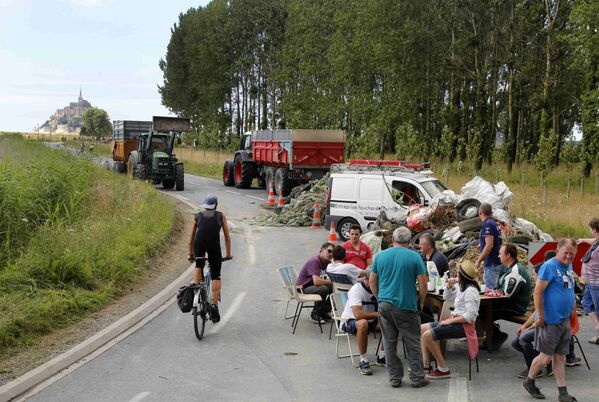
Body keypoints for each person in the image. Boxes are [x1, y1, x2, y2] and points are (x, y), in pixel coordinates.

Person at [369, 226, 430, 389]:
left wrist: (379, 297)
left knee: (389, 343)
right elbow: (423, 283)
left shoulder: (380, 256)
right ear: (409, 241)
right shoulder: (414, 256)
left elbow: (372, 282)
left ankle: (395, 378)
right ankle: (417, 377)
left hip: (384, 304)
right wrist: (421, 301)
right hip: (406, 305)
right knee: (412, 342)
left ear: (392, 240)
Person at [522, 239, 577, 402]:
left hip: (564, 319)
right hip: (550, 320)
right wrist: (541, 316)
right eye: (565, 253)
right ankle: (529, 381)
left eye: (572, 254)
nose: (568, 256)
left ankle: (563, 393)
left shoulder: (568, 266)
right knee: (545, 356)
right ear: (557, 250)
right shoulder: (549, 266)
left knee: (560, 357)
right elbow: (537, 292)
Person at [420, 260, 481, 379]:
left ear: (462, 275)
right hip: (456, 321)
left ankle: (443, 368)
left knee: (427, 335)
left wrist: (449, 321)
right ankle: (426, 365)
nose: (456, 274)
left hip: (464, 327)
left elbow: (470, 317)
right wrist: (448, 286)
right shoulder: (461, 287)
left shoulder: (471, 292)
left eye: (458, 272)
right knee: (422, 329)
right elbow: (446, 298)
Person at [188, 195, 232, 324]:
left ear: (204, 205)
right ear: (216, 206)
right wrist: (228, 254)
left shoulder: (197, 216)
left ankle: (196, 290)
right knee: (216, 275)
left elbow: (190, 240)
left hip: (199, 244)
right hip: (213, 246)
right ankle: (214, 306)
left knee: (198, 264)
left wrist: (190, 254)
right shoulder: (220, 216)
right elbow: (227, 237)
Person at [485, 243, 532, 350]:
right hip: (508, 304)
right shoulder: (507, 268)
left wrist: (494, 293)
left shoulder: (516, 270)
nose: (498, 256)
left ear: (508, 255)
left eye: (500, 253)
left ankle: (495, 336)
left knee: (484, 312)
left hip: (516, 307)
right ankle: (495, 335)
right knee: (481, 310)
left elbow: (507, 294)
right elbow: (499, 289)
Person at [340, 270, 385, 375]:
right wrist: (379, 314)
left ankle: (382, 356)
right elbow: (358, 315)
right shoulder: (356, 290)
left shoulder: (381, 288)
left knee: (390, 321)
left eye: (378, 282)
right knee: (363, 323)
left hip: (372, 319)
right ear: (366, 279)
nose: (376, 284)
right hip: (350, 321)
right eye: (373, 281)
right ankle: (363, 360)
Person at [295, 242, 334, 324]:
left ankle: (324, 311)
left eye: (332, 253)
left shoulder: (328, 262)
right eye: (329, 251)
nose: (330, 254)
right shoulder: (315, 261)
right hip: (302, 288)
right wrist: (332, 282)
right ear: (322, 250)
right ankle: (315, 313)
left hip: (312, 286)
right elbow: (317, 281)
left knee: (335, 288)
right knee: (324, 288)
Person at [475, 202, 502, 289]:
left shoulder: (488, 225)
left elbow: (489, 245)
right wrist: (481, 243)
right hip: (496, 261)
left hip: (492, 263)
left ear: (480, 213)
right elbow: (496, 240)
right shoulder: (493, 223)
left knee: (491, 291)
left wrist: (478, 260)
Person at [581, 217, 599, 345]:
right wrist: (583, 240)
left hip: (597, 284)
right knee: (586, 303)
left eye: (590, 228)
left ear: (594, 229)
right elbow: (595, 241)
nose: (590, 231)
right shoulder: (597, 242)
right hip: (590, 282)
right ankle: (598, 327)